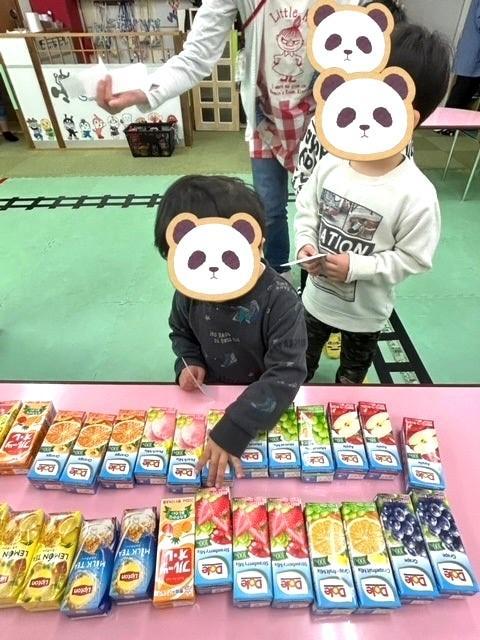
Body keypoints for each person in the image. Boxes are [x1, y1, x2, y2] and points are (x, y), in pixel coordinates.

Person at [96, 0, 361, 277]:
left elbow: (363, 47)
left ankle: (315, 287)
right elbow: (196, 55)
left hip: (325, 119)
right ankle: (277, 277)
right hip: (265, 118)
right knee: (269, 210)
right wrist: (145, 91)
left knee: (325, 213)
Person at [295, 23, 451, 384]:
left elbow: (414, 258)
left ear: (412, 115)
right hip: (315, 301)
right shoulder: (332, 163)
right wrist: (305, 243)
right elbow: (307, 209)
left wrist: (358, 267)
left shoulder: (416, 193)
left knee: (351, 379)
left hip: (366, 317)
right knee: (298, 367)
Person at [154, 175, 307, 486]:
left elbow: (287, 372)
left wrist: (236, 427)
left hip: (262, 402)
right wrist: (189, 361)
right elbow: (180, 332)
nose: (210, 273)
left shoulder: (280, 298)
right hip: (211, 395)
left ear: (252, 241)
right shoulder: (191, 289)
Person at [292, 0, 408, 362]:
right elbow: (304, 173)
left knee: (357, 331)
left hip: (368, 261)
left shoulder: (392, 118)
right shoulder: (325, 114)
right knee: (314, 289)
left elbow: (403, 173)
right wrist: (306, 237)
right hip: (324, 228)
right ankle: (322, 324)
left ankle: (343, 333)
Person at [441, 0, 480, 134]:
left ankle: (454, 125)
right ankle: (445, 125)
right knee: (463, 87)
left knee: (468, 89)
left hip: (474, 51)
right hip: (473, 48)